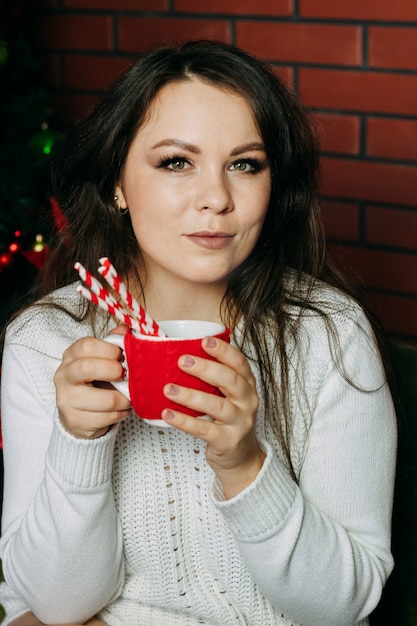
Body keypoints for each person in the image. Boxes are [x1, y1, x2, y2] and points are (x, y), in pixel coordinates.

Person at [0, 40, 397, 626]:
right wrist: (78, 445)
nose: (216, 199)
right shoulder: (46, 340)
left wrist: (245, 464)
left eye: (245, 164)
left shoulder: (328, 335)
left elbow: (344, 606)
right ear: (116, 183)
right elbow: (56, 606)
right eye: (176, 162)